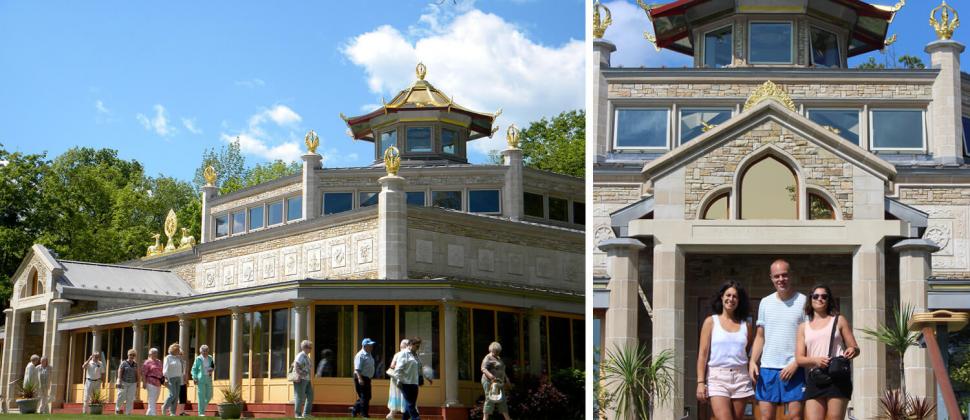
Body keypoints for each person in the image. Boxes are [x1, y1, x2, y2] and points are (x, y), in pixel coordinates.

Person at [749, 259, 808, 420]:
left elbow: (809, 338)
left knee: (796, 417)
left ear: (791, 276)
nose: (781, 279)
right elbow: (760, 336)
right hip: (768, 368)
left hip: (794, 368)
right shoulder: (765, 302)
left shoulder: (804, 301)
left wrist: (797, 362)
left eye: (784, 275)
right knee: (766, 418)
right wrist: (753, 361)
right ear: (771, 278)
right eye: (777, 276)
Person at [796, 285, 860, 420]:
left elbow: (854, 347)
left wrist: (852, 350)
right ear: (810, 299)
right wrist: (816, 360)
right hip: (816, 378)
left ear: (828, 300)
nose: (820, 299)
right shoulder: (803, 327)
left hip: (837, 377)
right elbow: (799, 359)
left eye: (824, 296)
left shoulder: (839, 320)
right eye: (816, 296)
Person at [696, 281, 754, 420]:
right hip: (717, 377)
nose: (731, 299)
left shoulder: (746, 326)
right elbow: (703, 355)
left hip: (741, 378)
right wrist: (700, 382)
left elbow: (747, 352)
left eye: (735, 296)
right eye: (728, 295)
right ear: (721, 297)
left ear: (739, 301)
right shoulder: (711, 322)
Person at [394, 337, 432, 420]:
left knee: (410, 404)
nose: (418, 348)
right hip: (405, 383)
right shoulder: (403, 354)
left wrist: (426, 377)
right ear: (411, 344)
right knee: (411, 404)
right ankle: (416, 418)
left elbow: (419, 368)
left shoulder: (416, 355)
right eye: (417, 346)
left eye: (419, 347)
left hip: (414, 383)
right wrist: (399, 381)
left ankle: (405, 418)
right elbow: (398, 370)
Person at [480, 342, 512, 420]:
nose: (497, 353)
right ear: (491, 350)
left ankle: (508, 418)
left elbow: (502, 370)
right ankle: (485, 418)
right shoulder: (488, 357)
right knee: (490, 399)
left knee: (502, 400)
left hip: (499, 382)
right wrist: (491, 376)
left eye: (498, 351)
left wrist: (507, 379)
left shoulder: (499, 358)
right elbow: (483, 368)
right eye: (495, 351)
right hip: (489, 381)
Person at [352, 338, 376, 418]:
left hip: (367, 378)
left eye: (371, 345)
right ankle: (364, 414)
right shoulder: (360, 355)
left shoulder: (369, 354)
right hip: (361, 377)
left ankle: (355, 409)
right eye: (370, 345)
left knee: (367, 396)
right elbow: (357, 369)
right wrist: (360, 379)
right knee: (364, 396)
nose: (372, 347)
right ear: (365, 346)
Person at [386, 339, 410, 420]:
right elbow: (392, 366)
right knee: (403, 395)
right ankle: (396, 415)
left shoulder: (398, 354)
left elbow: (392, 366)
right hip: (400, 379)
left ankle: (392, 414)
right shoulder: (406, 355)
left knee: (398, 395)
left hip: (397, 379)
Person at [162, 343, 187, 416]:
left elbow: (183, 366)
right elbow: (165, 369)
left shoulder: (178, 358)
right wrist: (166, 378)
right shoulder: (168, 358)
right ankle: (164, 407)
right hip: (171, 378)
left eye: (178, 350)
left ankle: (172, 412)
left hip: (178, 378)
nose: (178, 351)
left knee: (176, 397)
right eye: (177, 350)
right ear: (173, 350)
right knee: (173, 394)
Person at [292, 340, 314, 419]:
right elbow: (296, 365)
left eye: (311, 347)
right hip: (300, 379)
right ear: (305, 347)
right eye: (309, 347)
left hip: (307, 379)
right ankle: (297, 414)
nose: (311, 349)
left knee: (310, 395)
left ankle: (306, 413)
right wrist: (298, 375)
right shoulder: (301, 355)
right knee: (299, 396)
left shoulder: (306, 356)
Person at [191, 344, 214, 416]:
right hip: (200, 378)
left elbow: (213, 366)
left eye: (206, 351)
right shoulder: (198, 358)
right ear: (201, 351)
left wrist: (211, 369)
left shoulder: (210, 358)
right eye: (203, 351)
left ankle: (202, 408)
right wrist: (194, 378)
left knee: (210, 395)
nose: (205, 352)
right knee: (201, 396)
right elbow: (194, 369)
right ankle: (201, 413)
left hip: (208, 378)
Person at [115, 349, 140, 415]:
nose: (132, 356)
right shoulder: (123, 363)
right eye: (130, 355)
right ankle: (117, 409)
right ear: (128, 355)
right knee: (121, 395)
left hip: (133, 383)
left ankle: (128, 412)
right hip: (123, 381)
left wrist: (138, 383)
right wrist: (119, 381)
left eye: (133, 355)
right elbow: (120, 372)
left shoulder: (136, 364)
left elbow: (137, 373)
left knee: (130, 398)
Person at [142, 347, 164, 416]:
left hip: (158, 382)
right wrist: (144, 383)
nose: (155, 354)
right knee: (152, 397)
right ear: (150, 354)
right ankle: (153, 414)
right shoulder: (147, 362)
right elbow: (143, 373)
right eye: (153, 353)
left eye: (156, 353)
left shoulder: (159, 361)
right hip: (150, 381)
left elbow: (162, 371)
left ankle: (149, 413)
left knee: (156, 397)